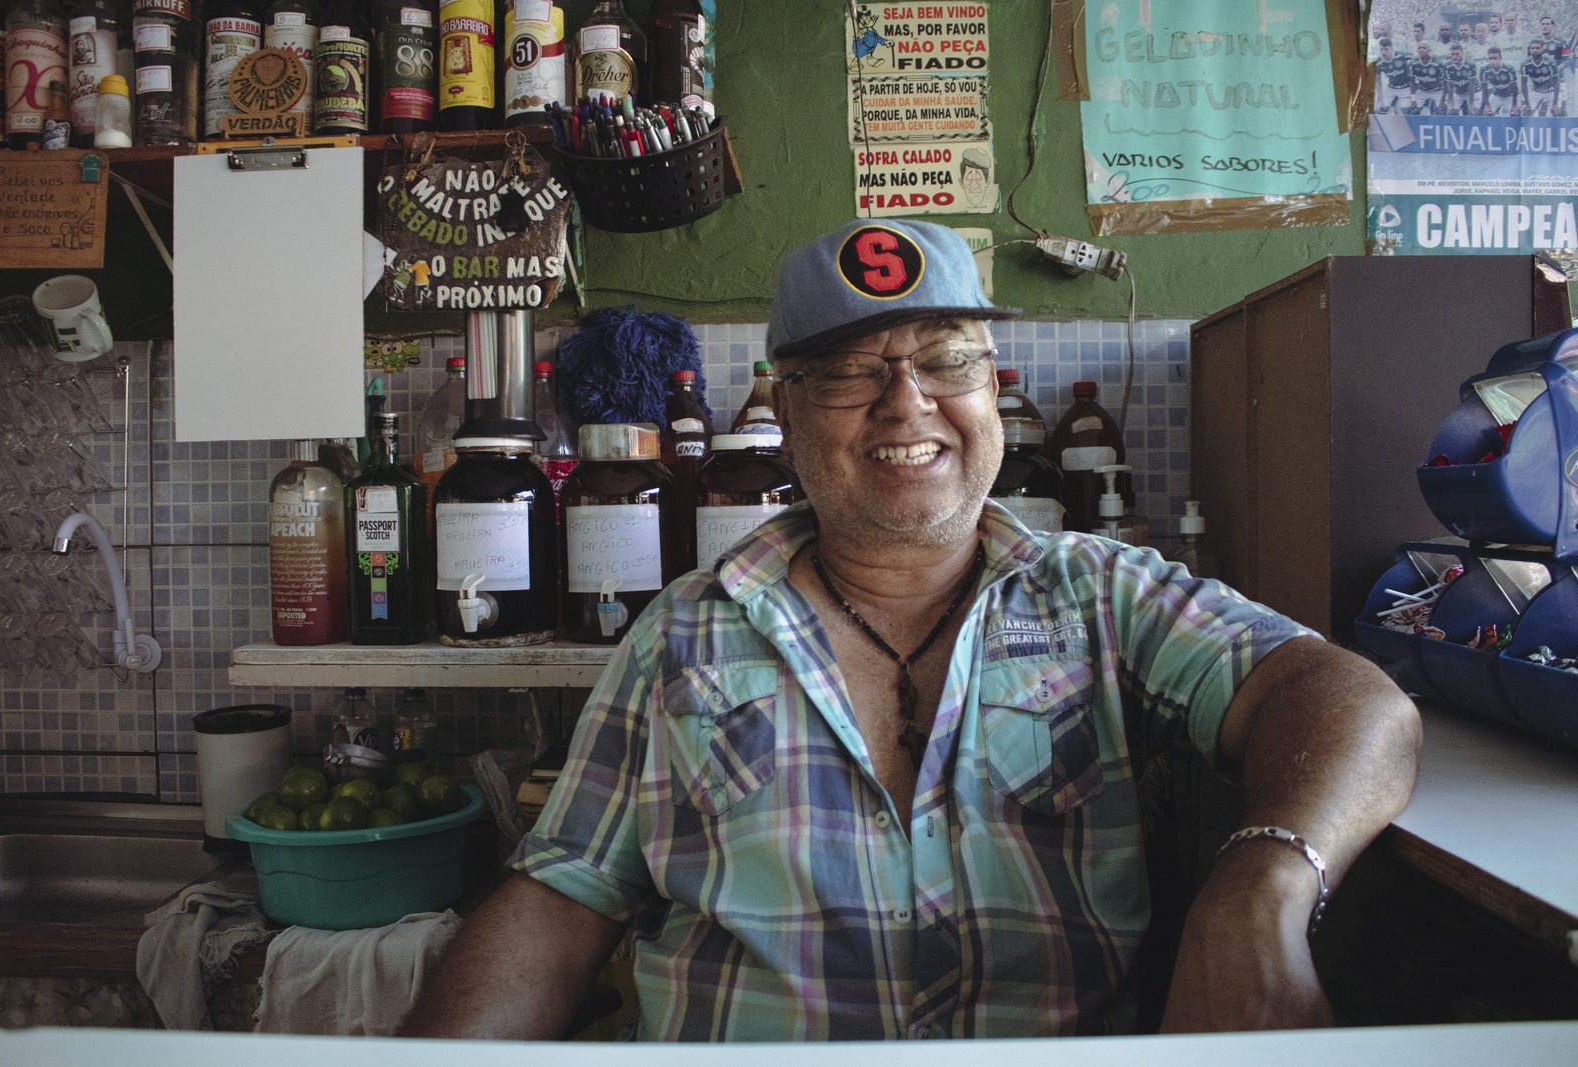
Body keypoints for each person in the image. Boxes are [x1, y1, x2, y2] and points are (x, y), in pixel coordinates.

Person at [400, 220, 1421, 1042]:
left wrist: (1261, 884)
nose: (906, 402)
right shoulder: (682, 636)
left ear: (990, 392)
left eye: (945, 360)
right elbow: (559, 898)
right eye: (850, 372)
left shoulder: (1102, 598)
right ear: (786, 416)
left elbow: (1347, 701)